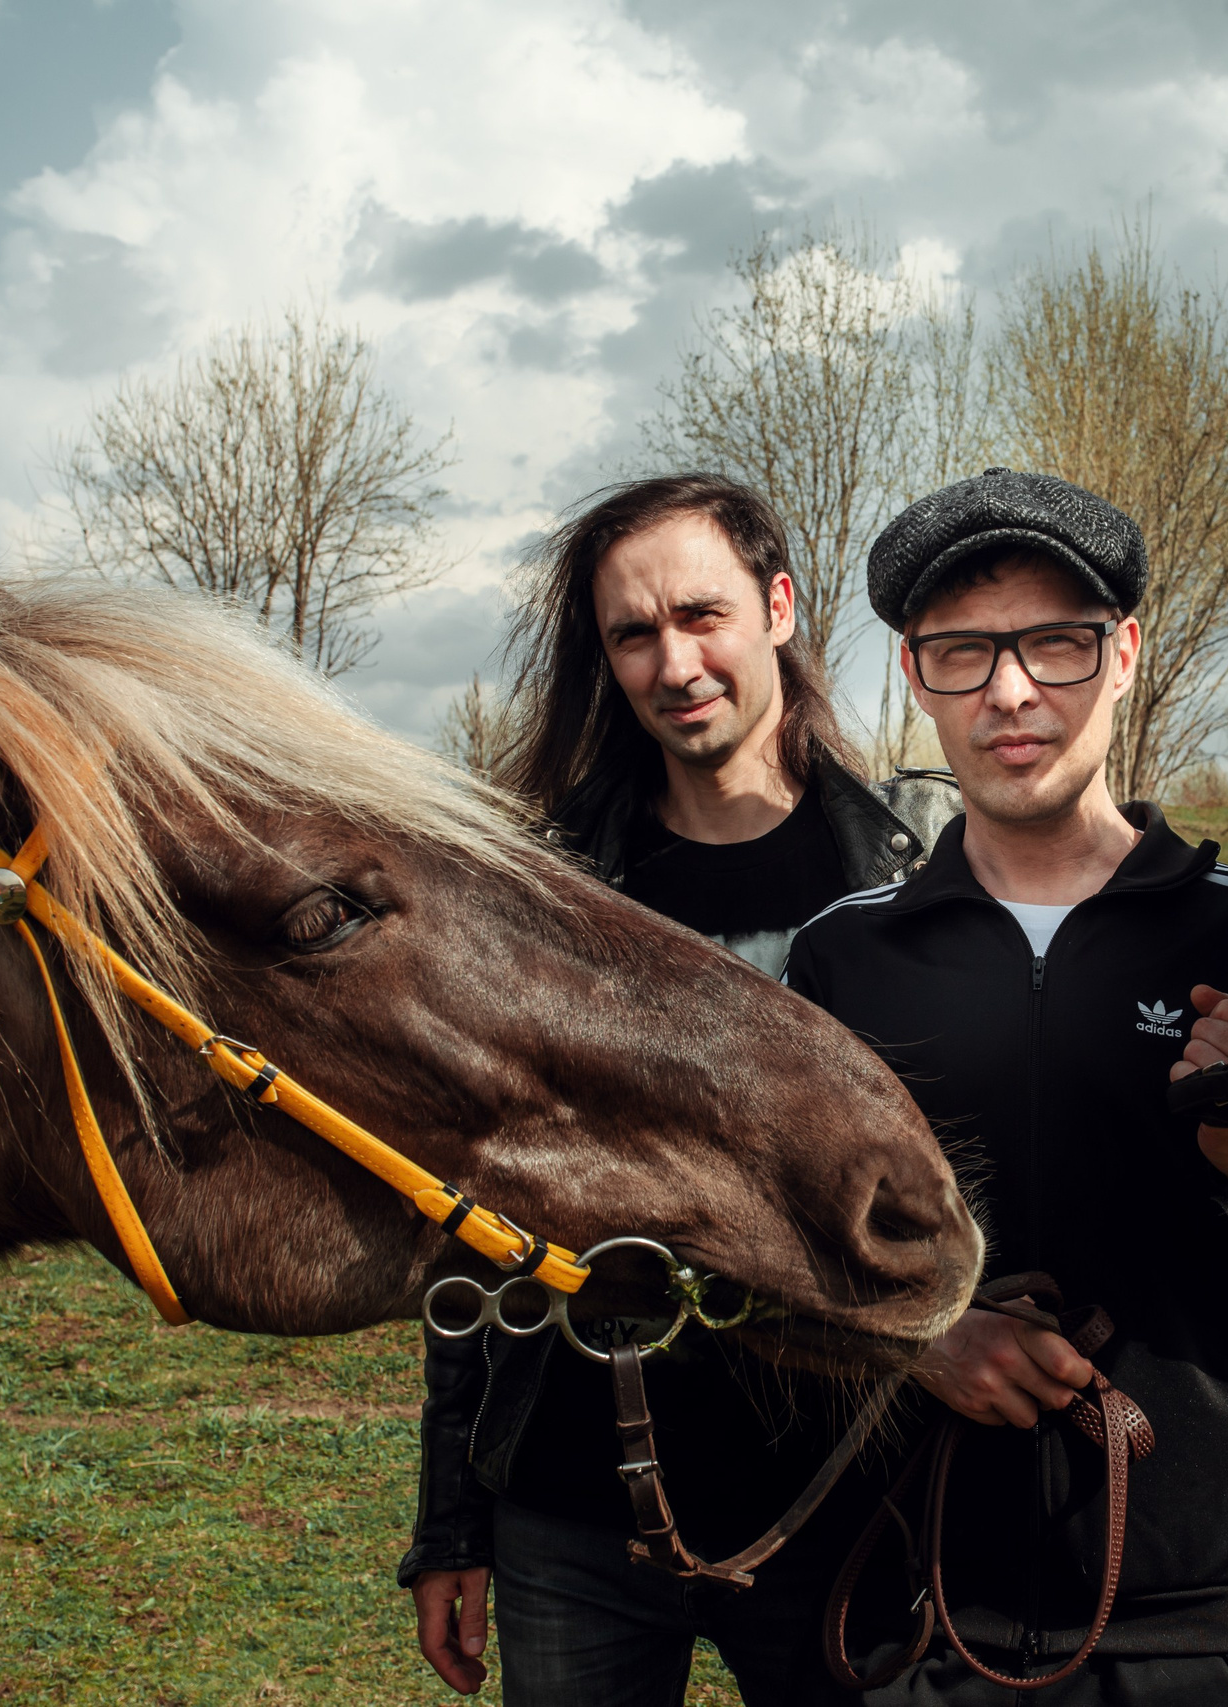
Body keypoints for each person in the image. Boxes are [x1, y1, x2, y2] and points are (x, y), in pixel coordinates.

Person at [785, 469, 1228, 1705]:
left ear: (1124, 654)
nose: (1010, 691)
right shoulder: (844, 957)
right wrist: (916, 1343)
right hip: (922, 1622)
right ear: (916, 676)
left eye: (1055, 644)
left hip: (1203, 1630)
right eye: (963, 653)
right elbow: (774, 1270)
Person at [401, 473, 958, 1706]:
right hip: (571, 1520)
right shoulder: (537, 890)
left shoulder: (918, 865)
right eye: (634, 634)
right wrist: (451, 1522)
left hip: (845, 1511)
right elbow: (471, 1224)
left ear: (778, 608)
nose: (674, 664)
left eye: (702, 616)